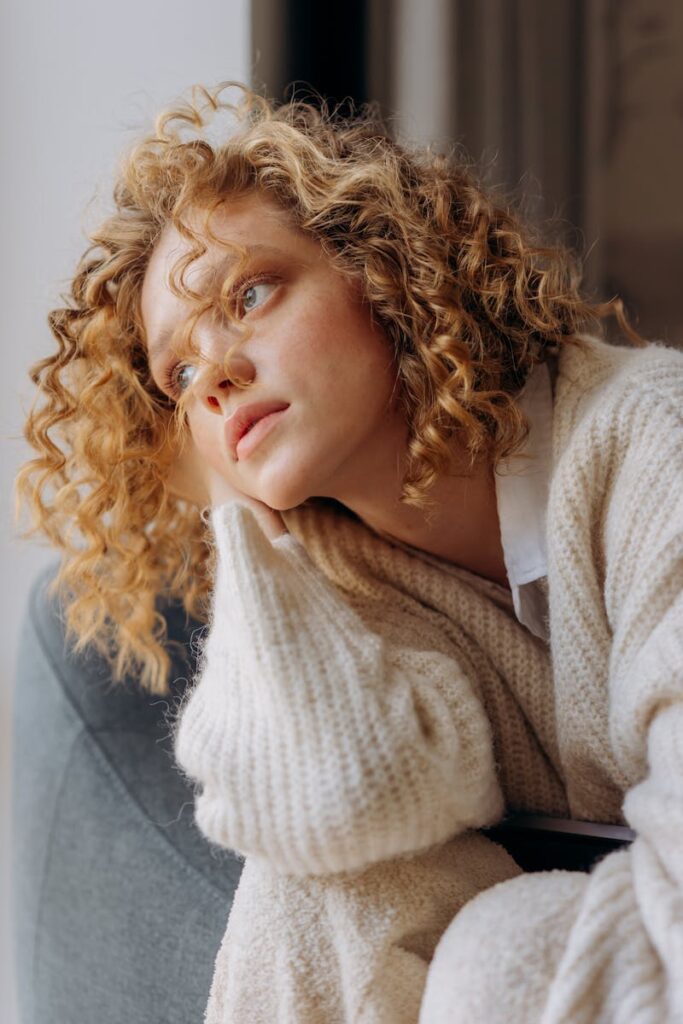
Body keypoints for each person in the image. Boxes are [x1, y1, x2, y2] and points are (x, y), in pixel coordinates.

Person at [16, 81, 683, 1022]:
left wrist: (496, 961)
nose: (215, 376)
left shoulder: (652, 442)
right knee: (313, 894)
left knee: (498, 954)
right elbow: (326, 810)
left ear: (380, 264)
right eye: (179, 374)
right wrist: (245, 523)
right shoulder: (346, 573)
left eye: (249, 294)